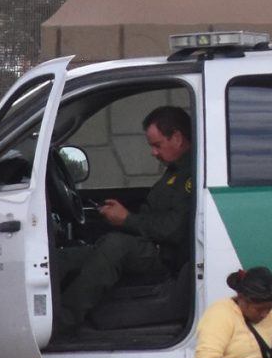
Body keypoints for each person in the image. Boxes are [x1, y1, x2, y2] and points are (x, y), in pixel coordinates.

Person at [57, 105, 195, 325]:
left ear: (177, 138)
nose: (154, 152)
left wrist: (127, 219)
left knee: (115, 245)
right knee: (64, 257)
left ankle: (65, 320)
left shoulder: (191, 174)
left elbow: (174, 229)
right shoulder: (175, 170)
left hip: (166, 257)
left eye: (157, 145)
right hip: (148, 246)